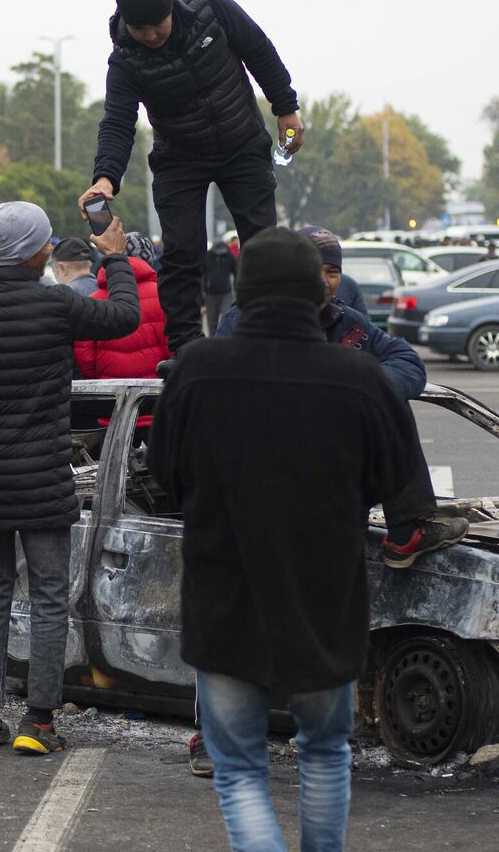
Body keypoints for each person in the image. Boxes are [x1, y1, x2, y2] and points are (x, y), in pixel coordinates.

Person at [149, 228, 448, 850]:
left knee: (238, 769)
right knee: (324, 752)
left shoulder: (197, 371)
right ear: (319, 290)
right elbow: (396, 481)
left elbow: (165, 481)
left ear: (242, 291)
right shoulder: (360, 379)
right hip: (325, 601)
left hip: (224, 596)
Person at [0, 201, 139, 754]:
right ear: (34, 250)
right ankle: (39, 723)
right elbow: (123, 317)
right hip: (44, 476)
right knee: (48, 597)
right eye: (46, 242)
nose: (51, 249)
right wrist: (115, 259)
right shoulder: (55, 304)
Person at [83, 0, 303, 357]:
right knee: (183, 252)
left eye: (157, 26)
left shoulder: (212, 8)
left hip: (241, 145)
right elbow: (117, 121)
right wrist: (105, 178)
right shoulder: (125, 62)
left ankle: (267, 332)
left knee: (261, 245)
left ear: (171, 7)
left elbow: (259, 50)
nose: (150, 36)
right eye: (140, 29)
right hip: (179, 159)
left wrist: (286, 108)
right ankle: (185, 347)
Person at [216, 227, 427, 401]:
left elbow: (406, 361)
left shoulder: (349, 321)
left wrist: (363, 386)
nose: (324, 281)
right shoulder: (241, 320)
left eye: (332, 272)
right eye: (315, 270)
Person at [73, 232, 170, 380]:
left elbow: (85, 354)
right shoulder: (163, 296)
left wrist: (97, 379)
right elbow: (171, 347)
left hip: (108, 393)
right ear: (149, 260)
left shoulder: (93, 300)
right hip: (153, 392)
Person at [202, 232, 237, 333]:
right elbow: (202, 275)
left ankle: (223, 339)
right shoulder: (208, 256)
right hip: (211, 293)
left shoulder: (229, 256)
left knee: (226, 315)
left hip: (225, 292)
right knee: (212, 319)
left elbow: (236, 272)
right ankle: (214, 339)